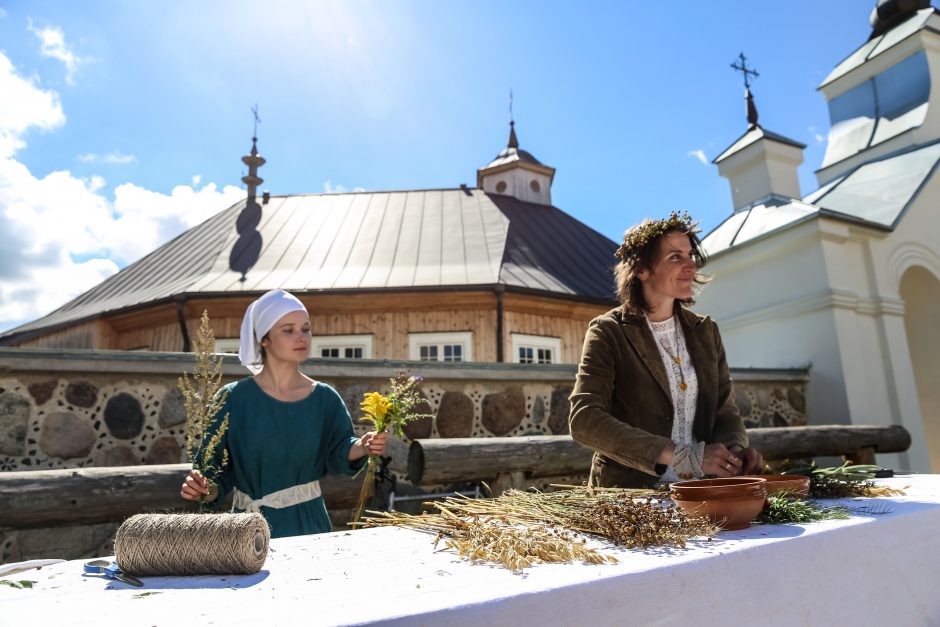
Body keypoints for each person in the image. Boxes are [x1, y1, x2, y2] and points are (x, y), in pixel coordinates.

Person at [569, 211, 762, 488]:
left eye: (690, 256)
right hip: (628, 500)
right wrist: (684, 456)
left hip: (703, 493)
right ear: (641, 270)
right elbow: (584, 419)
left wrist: (734, 451)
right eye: (675, 257)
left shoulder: (706, 331)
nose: (691, 267)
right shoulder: (608, 331)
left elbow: (725, 412)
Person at [180, 289, 387, 537]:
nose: (301, 337)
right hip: (246, 530)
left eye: (306, 329)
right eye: (288, 330)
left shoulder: (324, 398)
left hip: (308, 526)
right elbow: (213, 470)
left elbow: (338, 449)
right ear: (264, 339)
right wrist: (204, 488)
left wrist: (363, 446)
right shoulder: (231, 399)